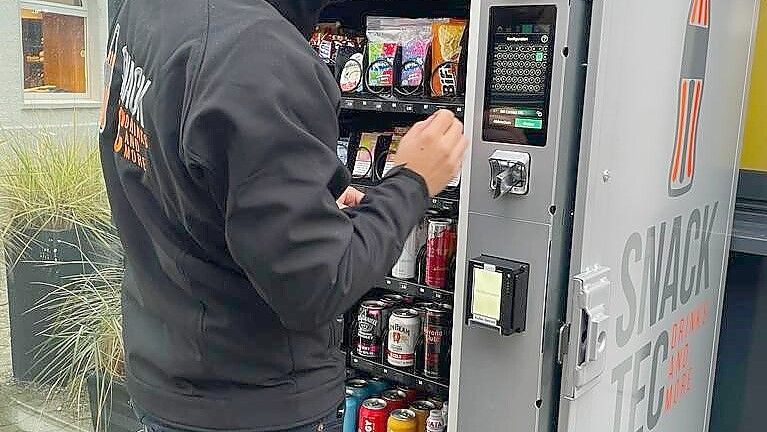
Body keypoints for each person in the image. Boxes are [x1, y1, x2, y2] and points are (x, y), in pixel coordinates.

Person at [98, 0, 467, 431]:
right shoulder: (256, 51)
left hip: (166, 379)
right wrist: (414, 180)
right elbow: (318, 285)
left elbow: (174, 168)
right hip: (254, 403)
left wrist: (300, 201)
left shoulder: (146, 10)